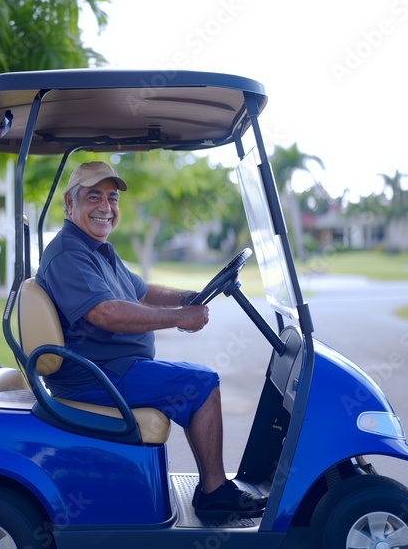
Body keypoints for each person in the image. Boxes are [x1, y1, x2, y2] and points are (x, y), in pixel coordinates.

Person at [35, 160, 266, 518]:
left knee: (195, 380)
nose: (105, 207)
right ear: (69, 202)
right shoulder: (70, 254)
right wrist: (179, 318)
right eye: (93, 197)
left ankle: (214, 488)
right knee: (202, 383)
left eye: (112, 198)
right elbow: (106, 313)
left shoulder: (96, 249)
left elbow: (141, 291)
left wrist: (186, 297)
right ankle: (214, 492)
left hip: (114, 369)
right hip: (98, 377)